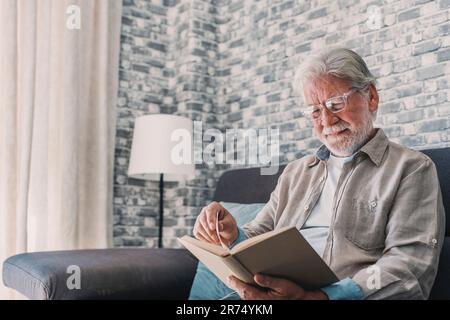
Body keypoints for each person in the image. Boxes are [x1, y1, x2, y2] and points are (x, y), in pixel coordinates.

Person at [193, 47, 445, 300]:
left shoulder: (411, 168)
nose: (326, 120)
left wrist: (320, 298)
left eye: (336, 104)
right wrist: (231, 233)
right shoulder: (296, 172)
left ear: (371, 97)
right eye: (314, 111)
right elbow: (259, 233)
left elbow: (409, 264)